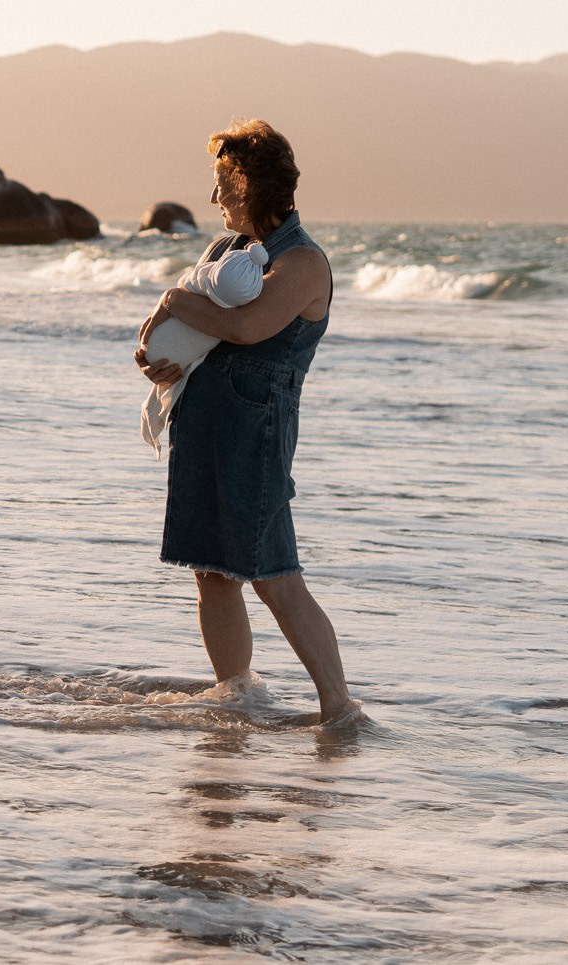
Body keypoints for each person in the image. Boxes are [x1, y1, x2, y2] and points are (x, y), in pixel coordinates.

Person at [134, 119, 362, 727]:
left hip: (255, 434)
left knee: (274, 574)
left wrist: (174, 302)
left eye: (222, 185)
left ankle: (341, 710)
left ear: (250, 182)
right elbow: (204, 339)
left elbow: (245, 328)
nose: (214, 200)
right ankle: (236, 696)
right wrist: (159, 357)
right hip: (204, 419)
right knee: (212, 573)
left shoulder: (304, 262)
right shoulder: (224, 252)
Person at [138, 240, 269, 453]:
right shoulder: (220, 248)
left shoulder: (297, 259)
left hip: (240, 421)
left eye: (222, 201)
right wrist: (154, 366)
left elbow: (241, 329)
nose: (214, 203)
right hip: (191, 408)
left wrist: (172, 298)